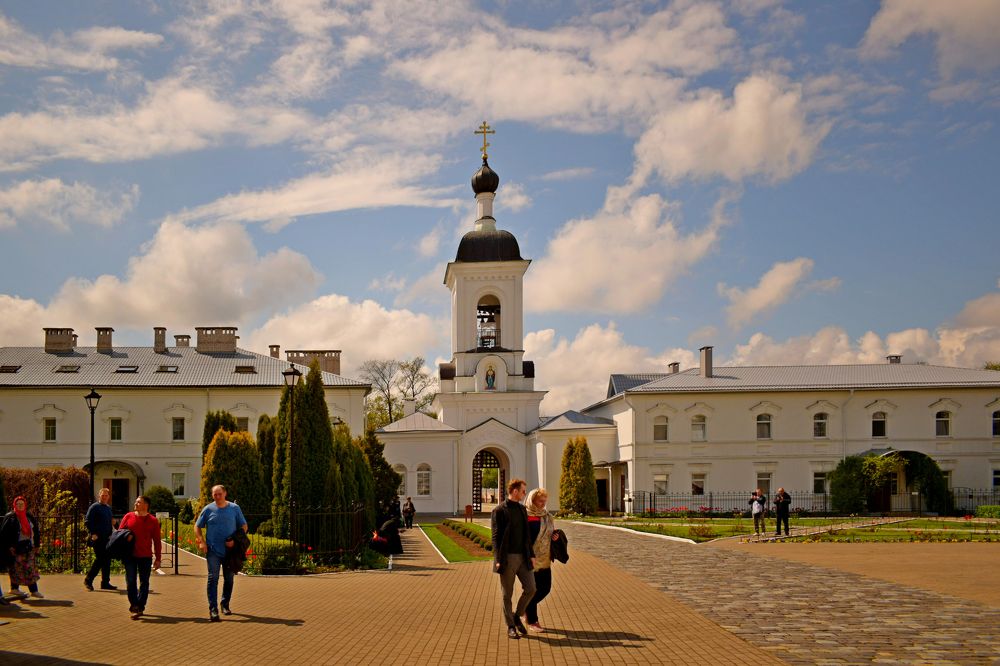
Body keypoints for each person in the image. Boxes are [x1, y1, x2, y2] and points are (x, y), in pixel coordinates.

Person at [491, 478, 536, 640]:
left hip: (523, 557)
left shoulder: (522, 509)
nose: (525, 494)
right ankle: (510, 626)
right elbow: (495, 537)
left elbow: (527, 536)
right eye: (523, 491)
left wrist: (531, 555)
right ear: (515, 491)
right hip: (507, 558)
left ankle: (517, 616)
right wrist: (498, 558)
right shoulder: (499, 511)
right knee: (506, 594)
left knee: (531, 588)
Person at [195, 485, 248, 622]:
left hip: (230, 552)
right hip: (213, 550)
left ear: (225, 493)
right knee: (213, 578)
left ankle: (225, 604)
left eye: (219, 494)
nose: (217, 496)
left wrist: (235, 541)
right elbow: (197, 526)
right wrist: (202, 541)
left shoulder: (234, 509)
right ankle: (213, 609)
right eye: (215, 494)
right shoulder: (208, 509)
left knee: (229, 578)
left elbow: (244, 526)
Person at [118, 496, 162, 619]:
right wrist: (127, 537)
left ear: (146, 505)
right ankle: (134, 605)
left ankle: (140, 606)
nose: (136, 503)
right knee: (131, 581)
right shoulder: (128, 516)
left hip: (145, 556)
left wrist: (158, 558)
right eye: (136, 501)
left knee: (144, 582)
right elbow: (119, 534)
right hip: (130, 555)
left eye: (139, 502)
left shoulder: (153, 520)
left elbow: (157, 541)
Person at [524, 488, 559, 633]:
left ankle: (524, 608)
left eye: (544, 501)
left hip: (545, 559)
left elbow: (550, 532)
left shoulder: (547, 516)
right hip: (529, 559)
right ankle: (533, 620)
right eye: (540, 501)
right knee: (532, 590)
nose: (543, 504)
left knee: (545, 588)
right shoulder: (525, 516)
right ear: (532, 500)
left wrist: (554, 537)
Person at [2, 496, 42, 600]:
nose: (20, 506)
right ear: (14, 505)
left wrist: (37, 545)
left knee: (30, 568)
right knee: (15, 569)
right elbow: (4, 533)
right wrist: (10, 546)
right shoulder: (11, 517)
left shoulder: (28, 516)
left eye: (22, 504)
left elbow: (36, 531)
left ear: (25, 505)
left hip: (29, 546)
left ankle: (34, 590)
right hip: (16, 548)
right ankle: (14, 588)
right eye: (18, 504)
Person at [84, 488, 117, 591]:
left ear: (108, 497)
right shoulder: (94, 507)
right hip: (98, 538)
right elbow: (88, 521)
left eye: (106, 495)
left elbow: (111, 521)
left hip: (107, 538)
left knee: (107, 560)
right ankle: (88, 580)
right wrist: (93, 533)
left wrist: (116, 525)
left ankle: (105, 583)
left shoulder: (108, 508)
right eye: (103, 495)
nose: (104, 497)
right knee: (100, 559)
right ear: (99, 496)